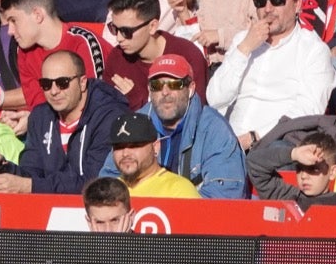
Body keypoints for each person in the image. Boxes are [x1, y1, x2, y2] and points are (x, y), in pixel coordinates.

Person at [210, 0, 336, 147]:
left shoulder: (313, 50)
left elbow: (307, 111)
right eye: (261, 2)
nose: (268, 9)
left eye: (277, 0)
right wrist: (245, 48)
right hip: (228, 143)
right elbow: (215, 98)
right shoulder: (244, 40)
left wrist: (254, 137)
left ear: (297, 5)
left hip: (276, 145)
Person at [99, 54, 246, 198]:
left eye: (175, 84)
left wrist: (171, 210)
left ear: (191, 89)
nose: (165, 92)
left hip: (193, 217)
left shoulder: (214, 129)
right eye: (157, 85)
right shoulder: (135, 123)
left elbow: (224, 198)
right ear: (149, 90)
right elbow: (108, 180)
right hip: (139, 214)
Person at [0, 48, 125, 195]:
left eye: (62, 83)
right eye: (46, 84)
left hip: (96, 209)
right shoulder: (40, 117)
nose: (53, 91)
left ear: (82, 83)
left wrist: (31, 186)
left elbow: (96, 183)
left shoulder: (109, 117)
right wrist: (4, 166)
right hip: (48, 209)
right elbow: (32, 173)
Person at [98, 0, 210, 109]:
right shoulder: (117, 58)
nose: (119, 38)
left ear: (152, 26)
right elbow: (106, 111)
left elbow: (193, 116)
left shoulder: (188, 56)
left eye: (126, 31)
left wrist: (135, 100)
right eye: (114, 28)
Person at [107, 109, 200, 197]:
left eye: (134, 145)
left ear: (155, 147)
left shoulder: (179, 191)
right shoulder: (108, 192)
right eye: (118, 147)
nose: (125, 153)